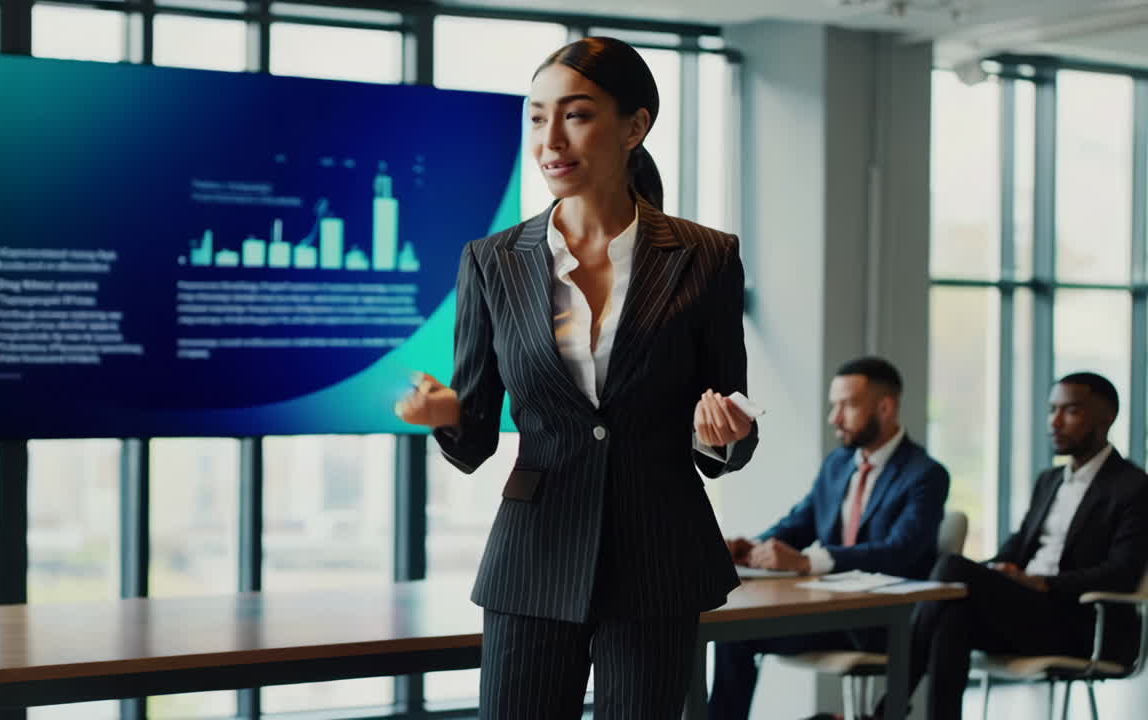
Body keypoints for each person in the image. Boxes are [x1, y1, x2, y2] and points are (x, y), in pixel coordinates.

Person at [395, 36, 757, 719]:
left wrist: (724, 435)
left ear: (635, 126)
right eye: (537, 117)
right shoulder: (492, 262)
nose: (551, 138)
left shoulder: (706, 257)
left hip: (657, 556)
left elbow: (726, 420)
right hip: (533, 560)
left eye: (577, 114)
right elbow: (473, 438)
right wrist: (445, 416)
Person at [858, 372, 1148, 720]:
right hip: (1030, 615)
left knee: (951, 569)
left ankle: (888, 711)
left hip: (1081, 623)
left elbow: (1122, 573)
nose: (1054, 422)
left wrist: (1041, 583)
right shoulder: (1050, 480)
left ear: (1106, 417)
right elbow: (1016, 548)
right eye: (1051, 409)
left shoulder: (1133, 487)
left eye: (1070, 411)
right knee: (953, 614)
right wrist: (992, 571)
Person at [710, 356, 949, 720]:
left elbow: (901, 551)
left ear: (885, 407)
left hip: (883, 624)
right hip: (829, 614)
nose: (834, 418)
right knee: (734, 633)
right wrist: (752, 549)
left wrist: (808, 562)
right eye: (833, 405)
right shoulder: (839, 464)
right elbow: (799, 523)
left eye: (847, 405)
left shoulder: (926, 475)